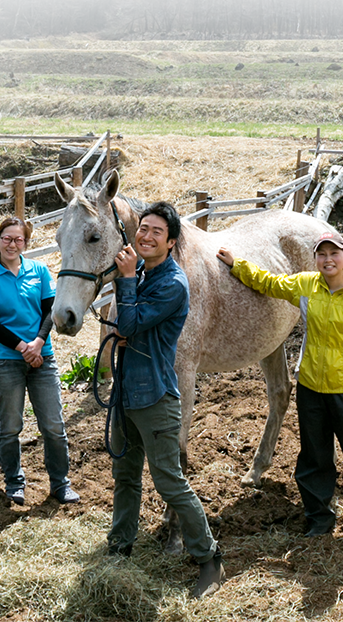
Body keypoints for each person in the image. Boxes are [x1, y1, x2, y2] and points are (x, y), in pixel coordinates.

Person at [217, 232, 343, 542]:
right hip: (310, 387)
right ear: (316, 260)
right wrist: (237, 264)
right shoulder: (307, 285)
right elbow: (269, 283)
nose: (327, 259)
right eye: (321, 254)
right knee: (314, 457)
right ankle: (319, 518)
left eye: (333, 253)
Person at [108, 201, 224, 599]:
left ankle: (209, 559)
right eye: (143, 228)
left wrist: (124, 283)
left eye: (157, 231)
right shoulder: (141, 274)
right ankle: (119, 545)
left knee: (170, 483)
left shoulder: (172, 283)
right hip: (126, 392)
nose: (146, 235)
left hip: (156, 397)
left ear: (171, 241)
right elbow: (124, 327)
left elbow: (127, 323)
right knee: (125, 477)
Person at [0, 217, 79, 506]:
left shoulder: (40, 271)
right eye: (7, 238)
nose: (12, 244)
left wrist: (38, 343)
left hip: (42, 358)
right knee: (10, 427)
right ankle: (14, 483)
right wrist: (23, 347)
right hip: (7, 361)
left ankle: (60, 483)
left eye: (18, 239)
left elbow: (50, 311)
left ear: (26, 243)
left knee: (54, 426)